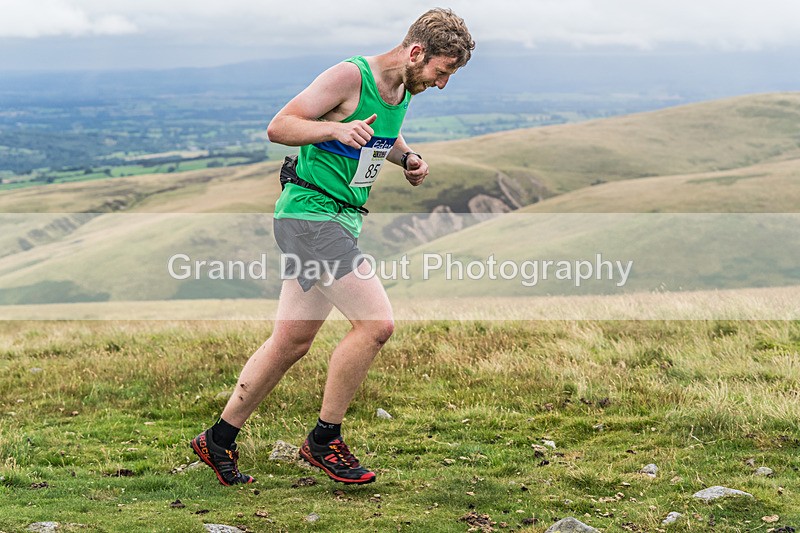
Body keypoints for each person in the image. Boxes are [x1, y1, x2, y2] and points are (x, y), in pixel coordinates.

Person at [191, 8, 474, 486]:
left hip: (341, 219)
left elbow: (379, 133)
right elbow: (280, 126)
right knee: (376, 325)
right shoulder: (350, 75)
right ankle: (324, 440)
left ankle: (217, 440)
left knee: (291, 342)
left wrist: (406, 157)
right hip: (309, 216)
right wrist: (333, 129)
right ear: (415, 52)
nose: (442, 83)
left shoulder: (402, 88)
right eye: (441, 71)